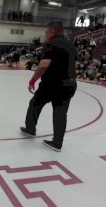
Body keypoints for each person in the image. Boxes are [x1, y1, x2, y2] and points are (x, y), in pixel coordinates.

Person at [20, 22, 77, 152]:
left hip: (52, 84)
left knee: (35, 104)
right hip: (69, 85)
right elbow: (75, 65)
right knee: (60, 114)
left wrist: (32, 80)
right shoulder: (71, 46)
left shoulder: (52, 44)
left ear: (52, 32)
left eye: (46, 33)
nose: (45, 35)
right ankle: (57, 143)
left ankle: (30, 129)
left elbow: (44, 65)